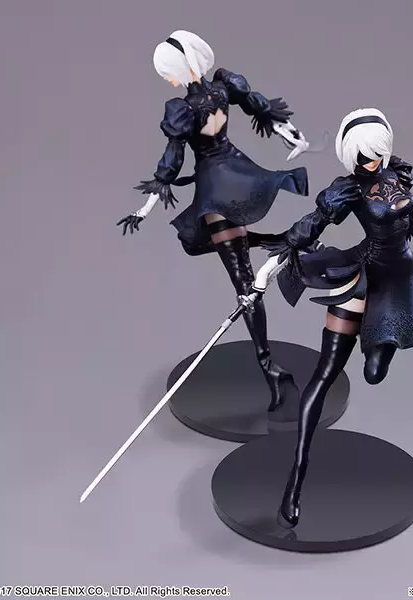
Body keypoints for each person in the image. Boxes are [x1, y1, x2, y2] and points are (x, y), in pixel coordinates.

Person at [262, 108, 413, 527]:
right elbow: (309, 227)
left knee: (373, 373)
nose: (370, 163)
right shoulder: (349, 191)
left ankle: (380, 341)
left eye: (375, 154)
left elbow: (409, 212)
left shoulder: (396, 173)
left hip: (400, 280)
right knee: (325, 373)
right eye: (362, 157)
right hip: (362, 273)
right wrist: (264, 274)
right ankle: (295, 481)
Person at [117, 30, 310, 411]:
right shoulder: (223, 87)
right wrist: (294, 137)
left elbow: (171, 162)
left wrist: (145, 208)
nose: (168, 80)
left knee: (244, 284)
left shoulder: (183, 108)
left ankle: (270, 368)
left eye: (168, 72)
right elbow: (262, 111)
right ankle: (279, 239)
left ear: (179, 68)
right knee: (194, 243)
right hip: (235, 170)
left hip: (216, 187)